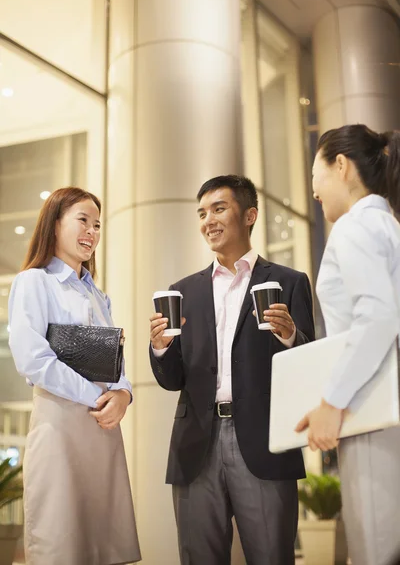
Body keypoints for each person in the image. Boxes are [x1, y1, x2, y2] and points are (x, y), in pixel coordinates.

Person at [149, 175, 315, 565]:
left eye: (219, 209)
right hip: (195, 447)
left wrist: (291, 335)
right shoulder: (183, 292)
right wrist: (160, 348)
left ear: (250, 215)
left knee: (272, 556)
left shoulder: (288, 282)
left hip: (265, 441)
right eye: (202, 213)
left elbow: (310, 366)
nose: (209, 220)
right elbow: (172, 379)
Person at [8, 187, 141, 565]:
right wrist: (96, 397)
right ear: (54, 224)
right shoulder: (34, 282)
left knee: (102, 545)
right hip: (60, 428)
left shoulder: (98, 296)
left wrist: (124, 394)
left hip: (102, 431)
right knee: (60, 543)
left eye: (97, 224)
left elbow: (114, 360)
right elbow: (34, 361)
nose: (92, 231)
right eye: (83, 220)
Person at [296, 124, 400, 565]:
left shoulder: (356, 226)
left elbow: (376, 317)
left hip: (375, 411)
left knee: (377, 545)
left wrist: (331, 402)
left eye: (315, 175)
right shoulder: (388, 225)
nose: (314, 192)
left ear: (340, 165)